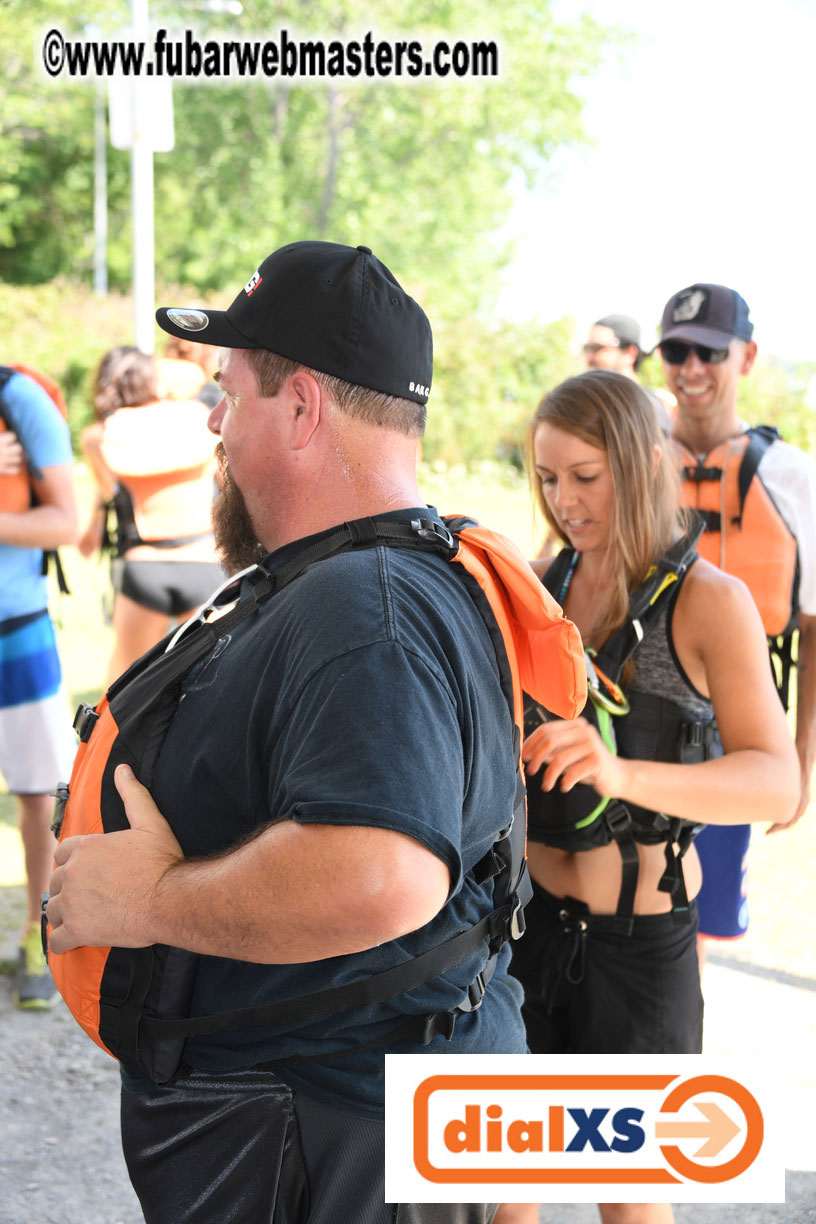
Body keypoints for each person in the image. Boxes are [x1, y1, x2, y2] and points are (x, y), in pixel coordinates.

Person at [45, 241, 556, 1224]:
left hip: (334, 1143)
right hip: (336, 1127)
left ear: (303, 406)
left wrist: (151, 902)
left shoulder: (367, 606)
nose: (216, 428)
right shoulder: (376, 575)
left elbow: (382, 874)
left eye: (228, 396)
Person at [495, 370, 798, 1224]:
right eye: (548, 479)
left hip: (639, 946)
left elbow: (777, 782)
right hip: (528, 932)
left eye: (585, 478)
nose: (565, 503)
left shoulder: (712, 602)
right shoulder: (542, 588)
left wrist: (619, 771)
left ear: (636, 464)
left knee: (628, 1199)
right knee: (501, 1193)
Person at [657, 283, 816, 951]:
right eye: (677, 350)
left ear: (746, 357)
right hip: (627, 724)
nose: (693, 368)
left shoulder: (791, 477)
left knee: (696, 930)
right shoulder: (633, 458)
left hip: (733, 740)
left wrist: (803, 758)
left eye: (711, 352)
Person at [0, 365, 77, 1010]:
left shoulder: (17, 397)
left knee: (36, 796)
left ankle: (34, 935)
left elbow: (64, 523)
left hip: (14, 630)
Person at [79, 346, 224, 681]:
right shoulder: (195, 418)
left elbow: (105, 503)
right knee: (215, 680)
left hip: (142, 567)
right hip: (206, 563)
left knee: (129, 686)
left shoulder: (101, 436)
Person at [583, 313, 674, 435]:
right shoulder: (587, 405)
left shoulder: (649, 408)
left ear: (630, 353)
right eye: (587, 348)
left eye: (597, 348)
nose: (589, 357)